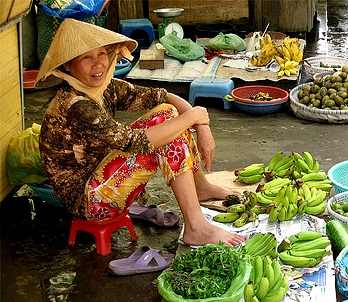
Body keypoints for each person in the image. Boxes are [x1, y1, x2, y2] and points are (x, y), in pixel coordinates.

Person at [34, 18, 245, 247]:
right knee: (167, 121)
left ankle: (200, 187)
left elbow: (162, 96)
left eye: (102, 54)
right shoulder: (76, 106)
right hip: (91, 203)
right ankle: (196, 226)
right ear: (68, 66)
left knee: (167, 112)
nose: (98, 64)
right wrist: (194, 116)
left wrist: (202, 127)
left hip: (105, 178)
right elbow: (136, 142)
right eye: (86, 57)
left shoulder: (105, 88)